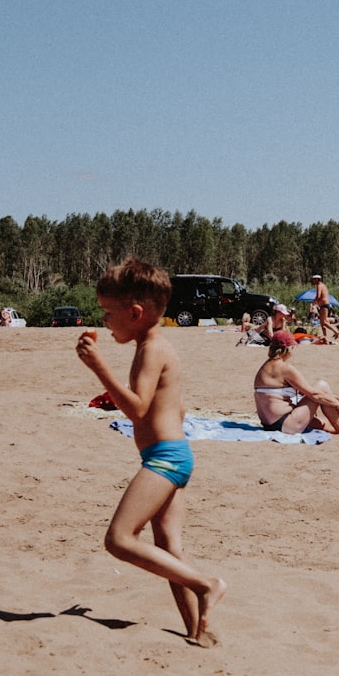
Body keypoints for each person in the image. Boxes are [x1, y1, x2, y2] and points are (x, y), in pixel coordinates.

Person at [75, 257, 226, 647]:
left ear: (135, 312)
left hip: (165, 459)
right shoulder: (159, 346)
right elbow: (174, 408)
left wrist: (99, 367)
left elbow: (138, 409)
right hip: (174, 453)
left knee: (119, 539)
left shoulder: (149, 350)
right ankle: (199, 631)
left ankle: (205, 584)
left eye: (109, 313)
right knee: (169, 548)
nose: (105, 321)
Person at [254, 330, 339, 435]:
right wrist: (336, 402)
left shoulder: (265, 367)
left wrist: (332, 398)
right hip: (286, 424)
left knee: (326, 424)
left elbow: (304, 392)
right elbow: (314, 395)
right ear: (287, 349)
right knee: (322, 385)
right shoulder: (284, 368)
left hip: (270, 424)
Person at [312, 275, 339, 341]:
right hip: (325, 304)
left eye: (314, 279)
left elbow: (318, 296)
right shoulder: (323, 285)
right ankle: (325, 336)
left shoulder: (319, 286)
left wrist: (314, 301)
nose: (313, 281)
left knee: (324, 322)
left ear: (318, 279)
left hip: (324, 305)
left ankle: (336, 331)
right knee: (322, 322)